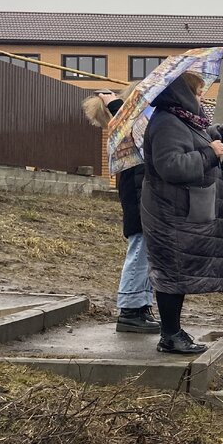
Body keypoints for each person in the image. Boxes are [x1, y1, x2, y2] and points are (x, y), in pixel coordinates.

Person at [140, 71, 223, 354]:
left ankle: (173, 330)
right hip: (170, 213)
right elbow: (172, 166)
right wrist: (210, 154)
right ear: (181, 94)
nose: (202, 97)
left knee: (178, 273)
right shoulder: (167, 122)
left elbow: (204, 137)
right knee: (172, 273)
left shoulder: (181, 118)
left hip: (182, 210)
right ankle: (169, 335)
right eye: (196, 92)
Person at [83, 84, 159, 333]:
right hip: (138, 195)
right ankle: (129, 309)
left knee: (146, 253)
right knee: (140, 251)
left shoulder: (128, 124)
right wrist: (117, 106)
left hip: (140, 193)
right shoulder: (128, 125)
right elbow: (141, 133)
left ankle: (140, 305)